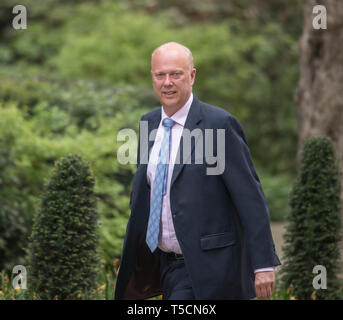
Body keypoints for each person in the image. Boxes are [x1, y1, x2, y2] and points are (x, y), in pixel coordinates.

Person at [115, 42, 281, 300]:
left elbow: (249, 197)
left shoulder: (219, 124)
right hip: (166, 266)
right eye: (160, 75)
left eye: (176, 74)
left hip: (213, 266)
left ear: (192, 76)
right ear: (152, 78)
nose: (167, 82)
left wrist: (263, 265)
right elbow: (147, 194)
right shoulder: (149, 123)